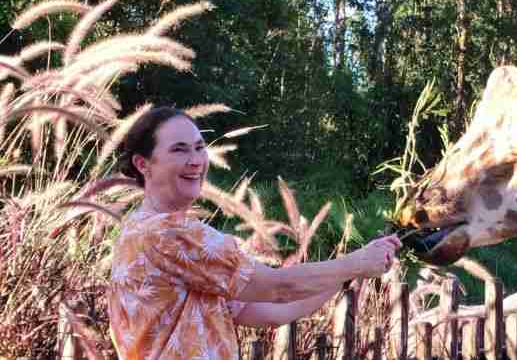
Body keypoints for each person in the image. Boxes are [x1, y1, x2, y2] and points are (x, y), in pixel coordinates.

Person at [107, 106, 401, 359]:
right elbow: (278, 288)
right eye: (179, 150)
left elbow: (272, 311)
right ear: (142, 164)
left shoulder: (136, 232)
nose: (196, 160)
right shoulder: (168, 234)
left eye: (199, 147)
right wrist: (357, 263)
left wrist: (352, 270)